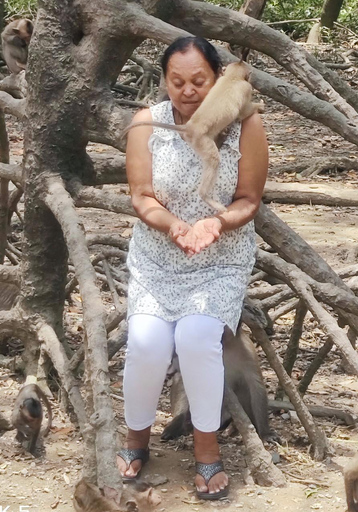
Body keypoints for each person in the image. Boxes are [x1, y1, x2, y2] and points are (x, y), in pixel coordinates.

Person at [116, 36, 268, 500]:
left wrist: (216, 224)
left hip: (219, 260)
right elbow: (141, 195)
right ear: (164, 81)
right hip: (158, 258)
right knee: (145, 342)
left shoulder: (246, 123)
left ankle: (207, 451)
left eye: (198, 81)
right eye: (176, 81)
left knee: (197, 337)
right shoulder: (148, 123)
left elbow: (249, 199)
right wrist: (175, 227)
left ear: (218, 78)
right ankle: (136, 439)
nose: (187, 91)